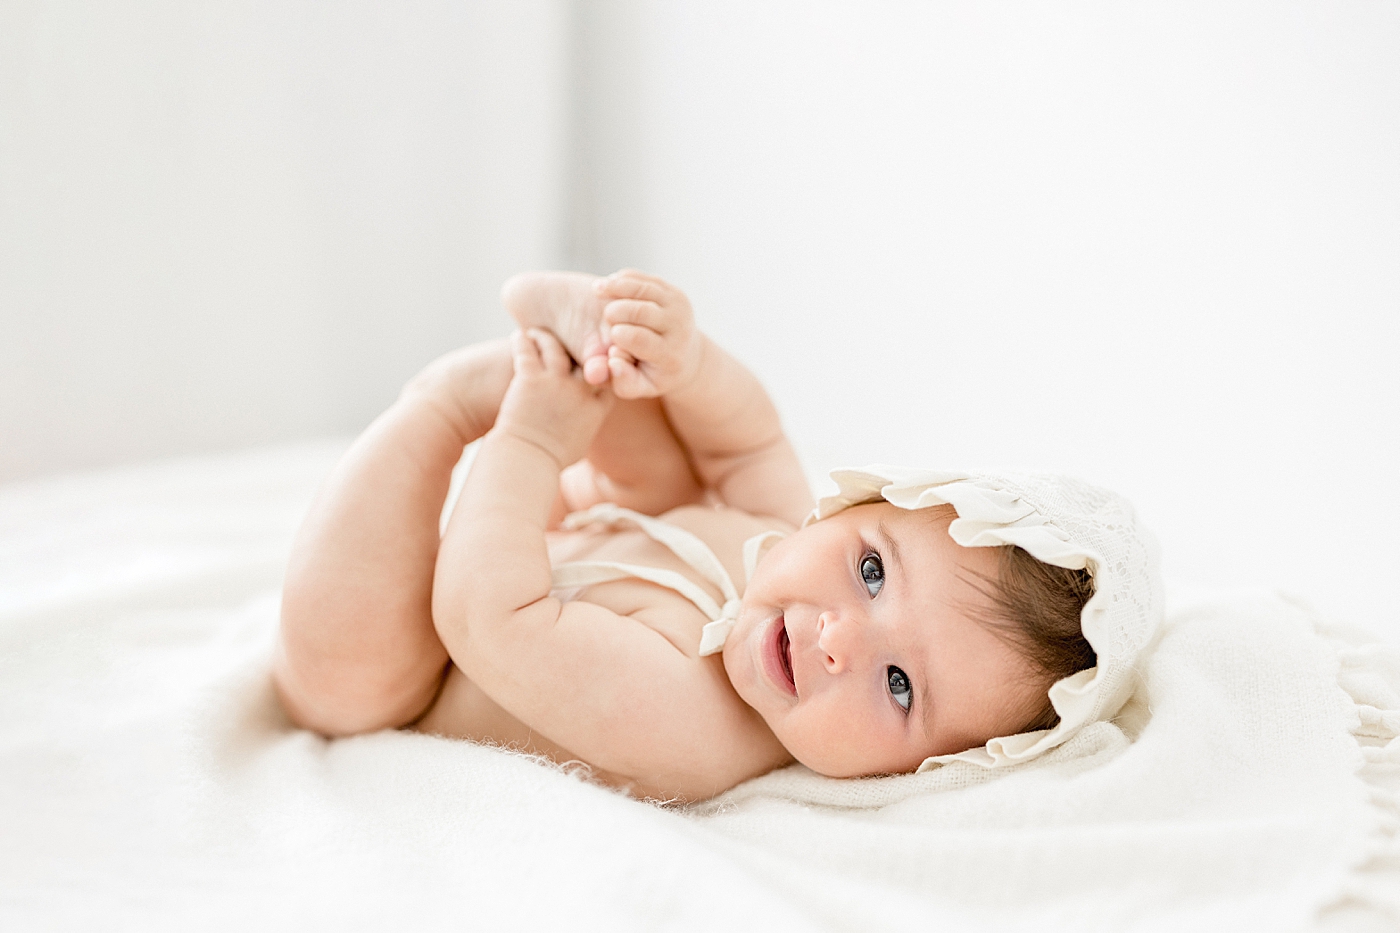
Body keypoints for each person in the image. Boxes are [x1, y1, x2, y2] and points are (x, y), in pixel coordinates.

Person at [273, 270, 1106, 802]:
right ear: (857, 511)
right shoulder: (783, 534)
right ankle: (601, 347)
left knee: (344, 671)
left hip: (423, 661)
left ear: (914, 774)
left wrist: (526, 441)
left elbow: (488, 618)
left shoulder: (698, 732)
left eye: (898, 686)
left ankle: (455, 397)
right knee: (671, 459)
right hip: (560, 532)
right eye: (874, 572)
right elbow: (746, 441)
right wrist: (690, 364)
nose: (837, 637)